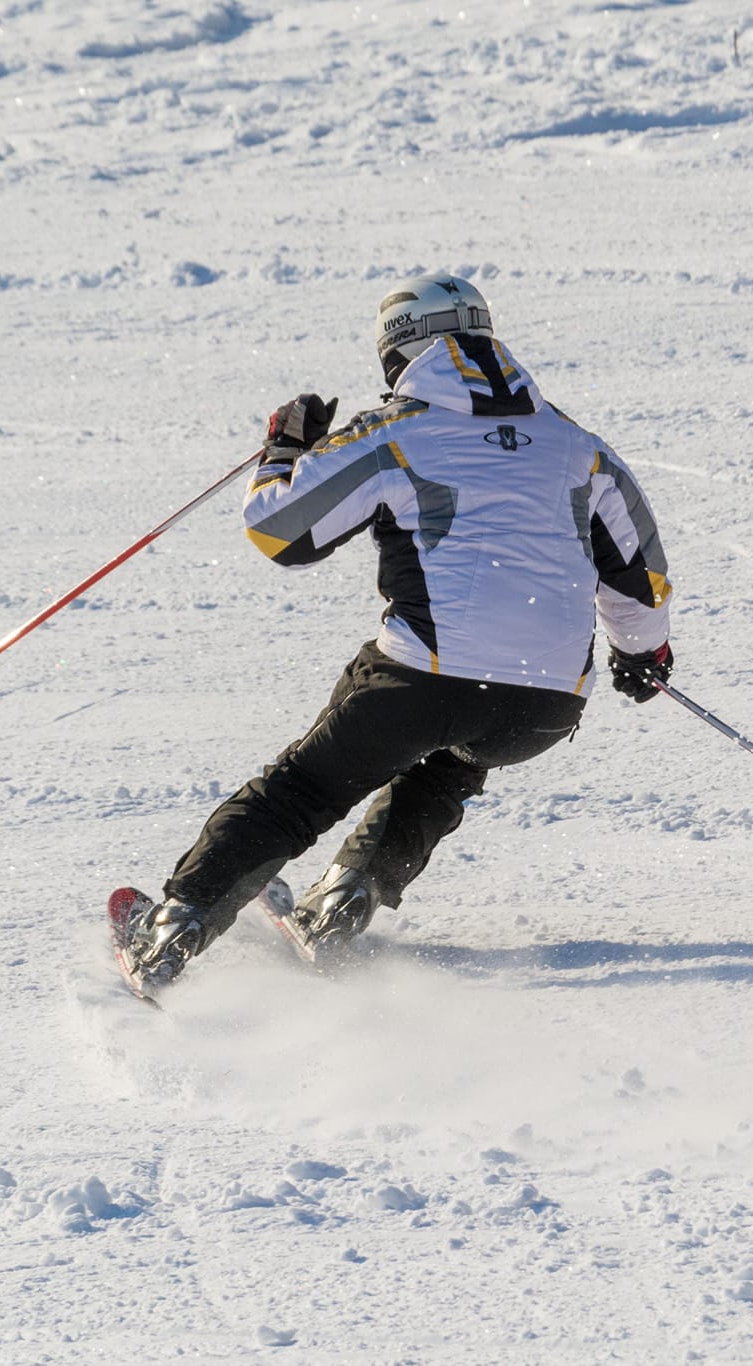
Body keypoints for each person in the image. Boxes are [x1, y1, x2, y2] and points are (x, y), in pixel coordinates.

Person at [114, 272, 674, 992]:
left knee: (302, 789)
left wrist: (284, 450)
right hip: (545, 705)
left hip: (424, 680)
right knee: (450, 761)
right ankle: (351, 893)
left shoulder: (399, 430)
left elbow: (281, 533)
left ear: (396, 352)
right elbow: (639, 574)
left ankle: (173, 928)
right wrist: (641, 654)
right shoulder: (576, 445)